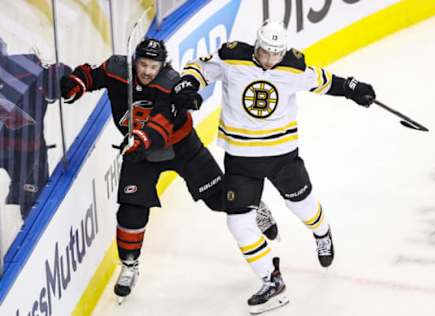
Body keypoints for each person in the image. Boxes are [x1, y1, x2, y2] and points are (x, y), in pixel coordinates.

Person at [173, 20, 376, 314]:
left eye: (275, 54)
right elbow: (199, 70)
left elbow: (325, 81)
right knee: (237, 223)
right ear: (257, 45)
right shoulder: (232, 59)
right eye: (265, 52)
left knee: (303, 207)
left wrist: (352, 88)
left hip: (282, 157)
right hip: (241, 161)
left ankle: (322, 233)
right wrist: (187, 84)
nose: (269, 60)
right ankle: (272, 279)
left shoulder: (293, 68)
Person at [60, 38, 278, 303]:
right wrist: (76, 84)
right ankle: (129, 267)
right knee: (131, 210)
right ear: (134, 61)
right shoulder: (117, 69)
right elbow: (91, 75)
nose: (147, 71)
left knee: (219, 199)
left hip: (181, 147)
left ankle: (256, 206)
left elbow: (162, 122)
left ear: (162, 65)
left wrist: (140, 140)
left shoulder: (170, 82)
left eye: (153, 66)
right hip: (139, 153)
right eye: (142, 64)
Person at [0, 37, 70, 222]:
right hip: (24, 152)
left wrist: (58, 73)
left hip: (28, 154)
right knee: (30, 205)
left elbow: (60, 79)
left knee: (32, 207)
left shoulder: (25, 68)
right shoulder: (24, 67)